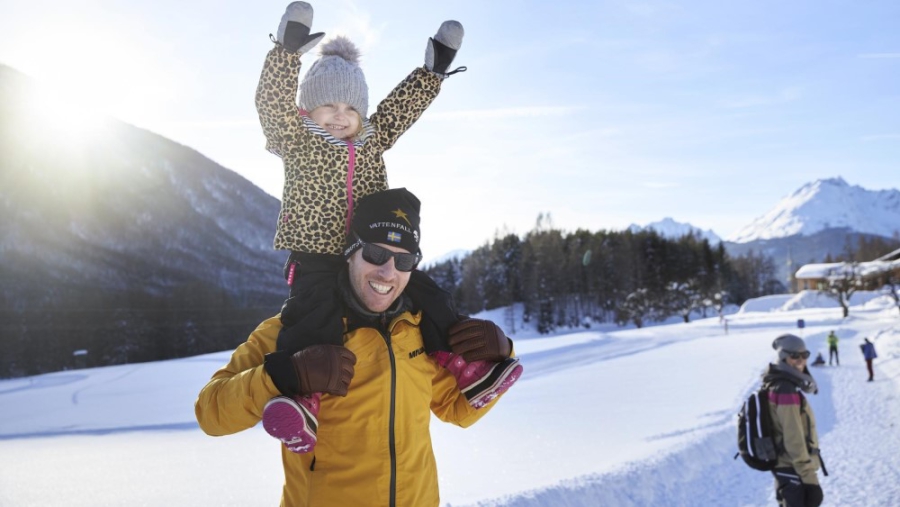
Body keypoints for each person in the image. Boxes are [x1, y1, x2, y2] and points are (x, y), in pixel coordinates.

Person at [254, 2, 521, 453]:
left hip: (375, 253)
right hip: (318, 256)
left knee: (428, 294)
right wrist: (286, 52)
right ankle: (305, 403)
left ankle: (467, 370)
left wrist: (432, 72)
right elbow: (272, 103)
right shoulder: (294, 137)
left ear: (362, 113)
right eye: (327, 106)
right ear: (308, 109)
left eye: (349, 108)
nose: (339, 116)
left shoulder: (372, 139)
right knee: (311, 318)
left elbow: (400, 109)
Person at [195, 188, 518, 506]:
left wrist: (500, 355)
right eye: (375, 255)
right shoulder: (291, 329)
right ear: (351, 251)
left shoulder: (420, 330)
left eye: (404, 260)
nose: (388, 272)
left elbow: (457, 410)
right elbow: (211, 414)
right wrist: (283, 376)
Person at [763, 334, 825, 507]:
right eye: (794, 356)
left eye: (804, 355)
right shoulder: (785, 389)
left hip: (785, 468)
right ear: (783, 357)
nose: (801, 360)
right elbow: (793, 437)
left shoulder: (776, 382)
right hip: (793, 469)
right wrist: (809, 477)